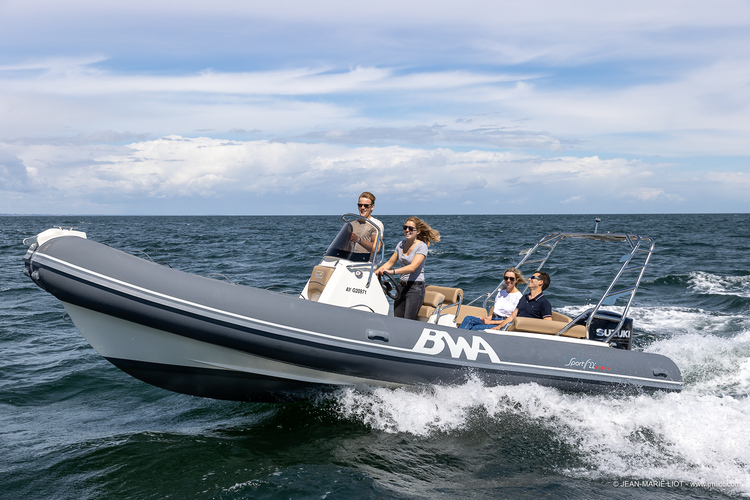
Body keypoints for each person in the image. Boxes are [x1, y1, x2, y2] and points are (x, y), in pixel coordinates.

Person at [376, 217, 440, 320]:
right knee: (397, 319)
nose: (407, 230)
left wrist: (391, 272)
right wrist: (374, 273)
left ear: (418, 231)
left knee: (408, 320)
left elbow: (412, 267)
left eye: (410, 228)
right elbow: (390, 263)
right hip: (401, 286)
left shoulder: (421, 247)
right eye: (405, 227)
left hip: (415, 288)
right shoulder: (401, 244)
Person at [459, 268, 525, 330]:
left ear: (516, 280)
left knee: (475, 328)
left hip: (504, 323)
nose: (508, 280)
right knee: (468, 319)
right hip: (494, 319)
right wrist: (484, 318)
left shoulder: (518, 297)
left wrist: (491, 322)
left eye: (511, 279)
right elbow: (494, 314)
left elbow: (512, 319)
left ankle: (459, 338)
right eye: (506, 278)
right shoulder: (501, 293)